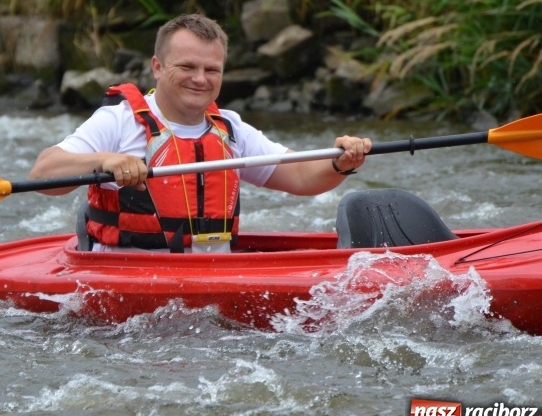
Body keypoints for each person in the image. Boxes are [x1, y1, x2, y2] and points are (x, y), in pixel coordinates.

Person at [29, 13, 371, 253]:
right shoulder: (117, 121)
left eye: (212, 69)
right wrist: (106, 160)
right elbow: (44, 171)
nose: (201, 79)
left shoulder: (230, 128)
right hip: (126, 283)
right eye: (187, 67)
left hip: (209, 280)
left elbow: (299, 176)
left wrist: (340, 162)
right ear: (158, 67)